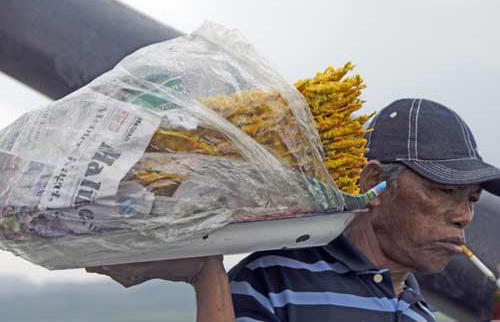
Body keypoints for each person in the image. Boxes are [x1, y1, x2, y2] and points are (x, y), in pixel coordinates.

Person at [87, 98, 500, 321]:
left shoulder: (416, 310)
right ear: (372, 182)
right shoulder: (274, 282)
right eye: (443, 191)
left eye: (471, 199)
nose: (463, 215)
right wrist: (206, 274)